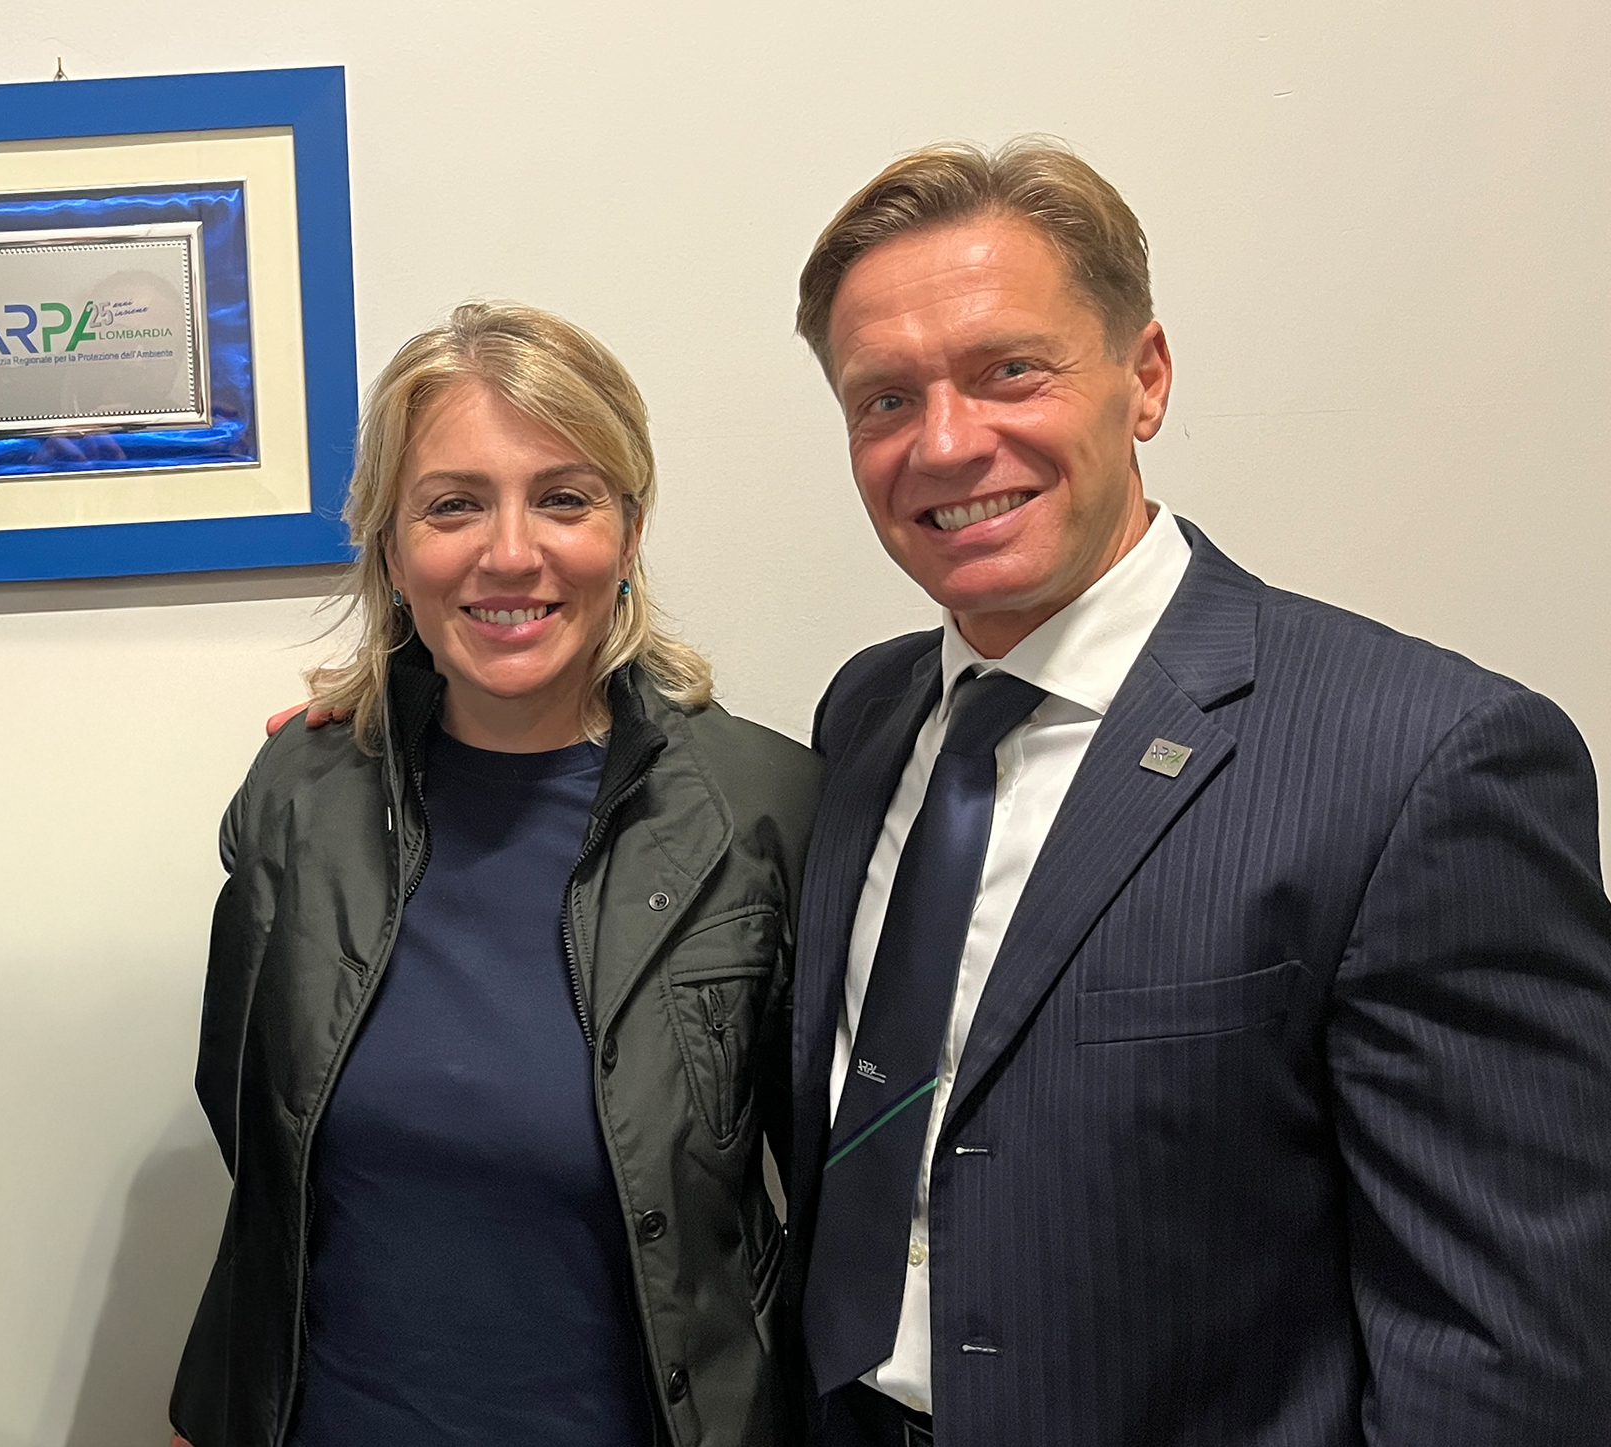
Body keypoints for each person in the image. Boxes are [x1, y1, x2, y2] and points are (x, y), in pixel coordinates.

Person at [784, 139, 1611, 1446]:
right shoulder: (867, 715)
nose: (945, 442)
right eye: (885, 399)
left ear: (1146, 377)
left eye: (1010, 370)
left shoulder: (1425, 763)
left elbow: (1502, 1351)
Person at [170, 301, 822, 1447]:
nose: (510, 552)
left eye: (564, 498)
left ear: (627, 531)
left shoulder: (768, 808)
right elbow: (257, 1153)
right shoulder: (297, 796)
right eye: (453, 504)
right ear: (390, 547)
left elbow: (835, 1206)